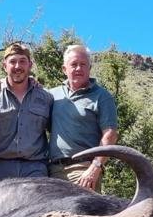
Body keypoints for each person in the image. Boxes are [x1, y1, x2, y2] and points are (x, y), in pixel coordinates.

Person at [0, 42, 53, 182]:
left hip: (36, 169)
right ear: (4, 65)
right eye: (12, 62)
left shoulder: (46, 98)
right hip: (1, 169)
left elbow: (55, 134)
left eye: (22, 61)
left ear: (30, 65)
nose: (17, 66)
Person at [47, 44, 119, 192]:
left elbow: (110, 135)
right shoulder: (51, 95)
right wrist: (1, 83)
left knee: (80, 215)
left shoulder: (102, 96)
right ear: (64, 69)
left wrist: (95, 167)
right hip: (51, 171)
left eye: (83, 64)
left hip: (83, 171)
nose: (78, 68)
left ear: (89, 68)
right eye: (74, 64)